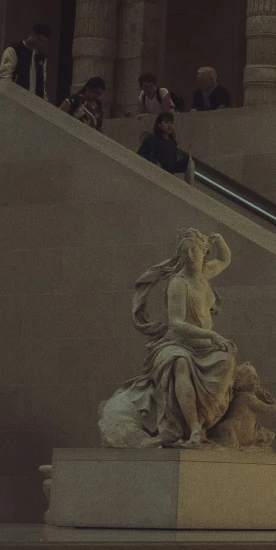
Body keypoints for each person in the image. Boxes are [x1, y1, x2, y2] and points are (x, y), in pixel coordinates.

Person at [98, 229, 238, 448]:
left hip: (203, 348)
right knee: (180, 363)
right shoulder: (178, 284)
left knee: (227, 361)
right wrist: (212, 335)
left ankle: (204, 420)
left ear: (204, 253)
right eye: (186, 251)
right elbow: (177, 324)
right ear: (180, 256)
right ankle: (193, 428)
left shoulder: (205, 274)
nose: (191, 255)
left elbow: (225, 259)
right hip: (175, 344)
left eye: (196, 250)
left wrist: (219, 239)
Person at [0, 23, 52, 98]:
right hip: (17, 98)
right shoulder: (14, 50)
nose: (41, 44)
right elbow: (5, 77)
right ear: (33, 34)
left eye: (43, 42)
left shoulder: (41, 58)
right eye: (39, 40)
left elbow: (42, 82)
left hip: (35, 101)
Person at [137, 110, 190, 176]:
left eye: (171, 123)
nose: (169, 126)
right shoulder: (152, 138)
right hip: (156, 173)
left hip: (169, 176)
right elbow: (141, 154)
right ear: (159, 124)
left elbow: (172, 164)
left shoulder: (173, 142)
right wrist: (154, 161)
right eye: (166, 122)